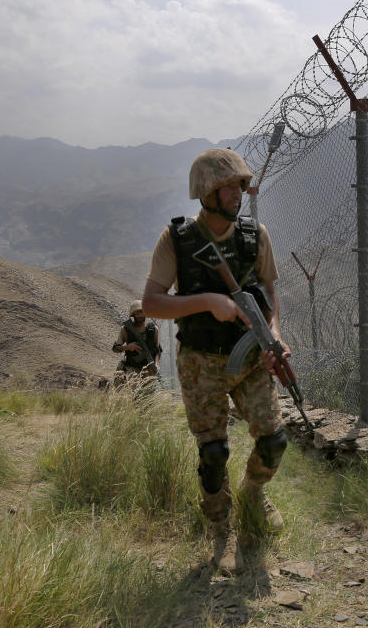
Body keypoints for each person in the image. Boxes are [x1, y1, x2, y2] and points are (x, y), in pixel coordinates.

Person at [142, 148, 289, 576]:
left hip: (250, 359)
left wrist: (274, 334)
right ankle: (220, 527)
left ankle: (252, 494)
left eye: (239, 185)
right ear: (205, 192)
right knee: (213, 454)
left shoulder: (254, 235)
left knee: (273, 442)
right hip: (201, 364)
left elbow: (269, 293)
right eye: (226, 186)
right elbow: (152, 303)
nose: (236, 193)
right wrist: (208, 302)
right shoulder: (178, 240)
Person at [112, 299, 161, 390]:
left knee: (147, 397)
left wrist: (157, 364)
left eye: (142, 312)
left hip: (149, 369)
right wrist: (128, 347)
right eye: (137, 313)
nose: (140, 315)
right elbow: (115, 348)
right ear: (133, 315)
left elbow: (158, 350)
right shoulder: (126, 329)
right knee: (135, 392)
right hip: (132, 367)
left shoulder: (153, 329)